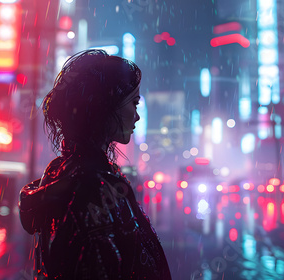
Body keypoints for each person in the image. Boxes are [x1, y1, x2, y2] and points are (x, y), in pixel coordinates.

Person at [19, 49, 171, 279]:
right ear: (106, 107)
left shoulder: (62, 173)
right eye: (134, 103)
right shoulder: (95, 188)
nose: (137, 116)